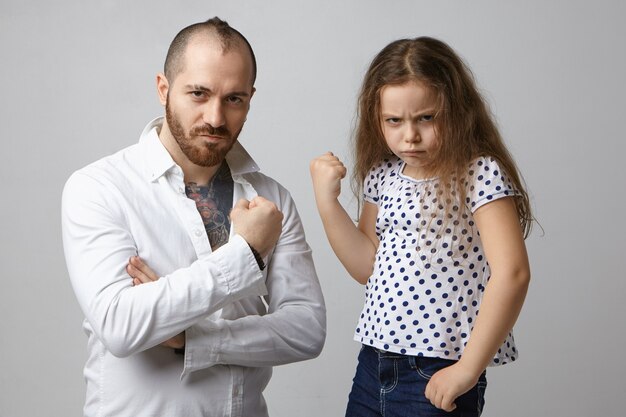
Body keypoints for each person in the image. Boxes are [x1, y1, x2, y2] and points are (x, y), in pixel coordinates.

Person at [62, 17, 326, 417]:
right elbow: (120, 326)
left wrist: (192, 338)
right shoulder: (99, 188)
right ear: (163, 89)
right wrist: (246, 254)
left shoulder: (272, 199)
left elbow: (306, 330)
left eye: (234, 98)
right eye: (198, 94)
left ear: (250, 98)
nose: (216, 118)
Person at [310, 37, 531, 416]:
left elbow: (512, 273)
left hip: (437, 368)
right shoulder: (383, 175)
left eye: (426, 118)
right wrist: (327, 203)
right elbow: (368, 267)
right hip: (374, 362)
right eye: (393, 121)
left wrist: (466, 369)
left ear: (458, 111)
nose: (409, 135)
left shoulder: (478, 174)